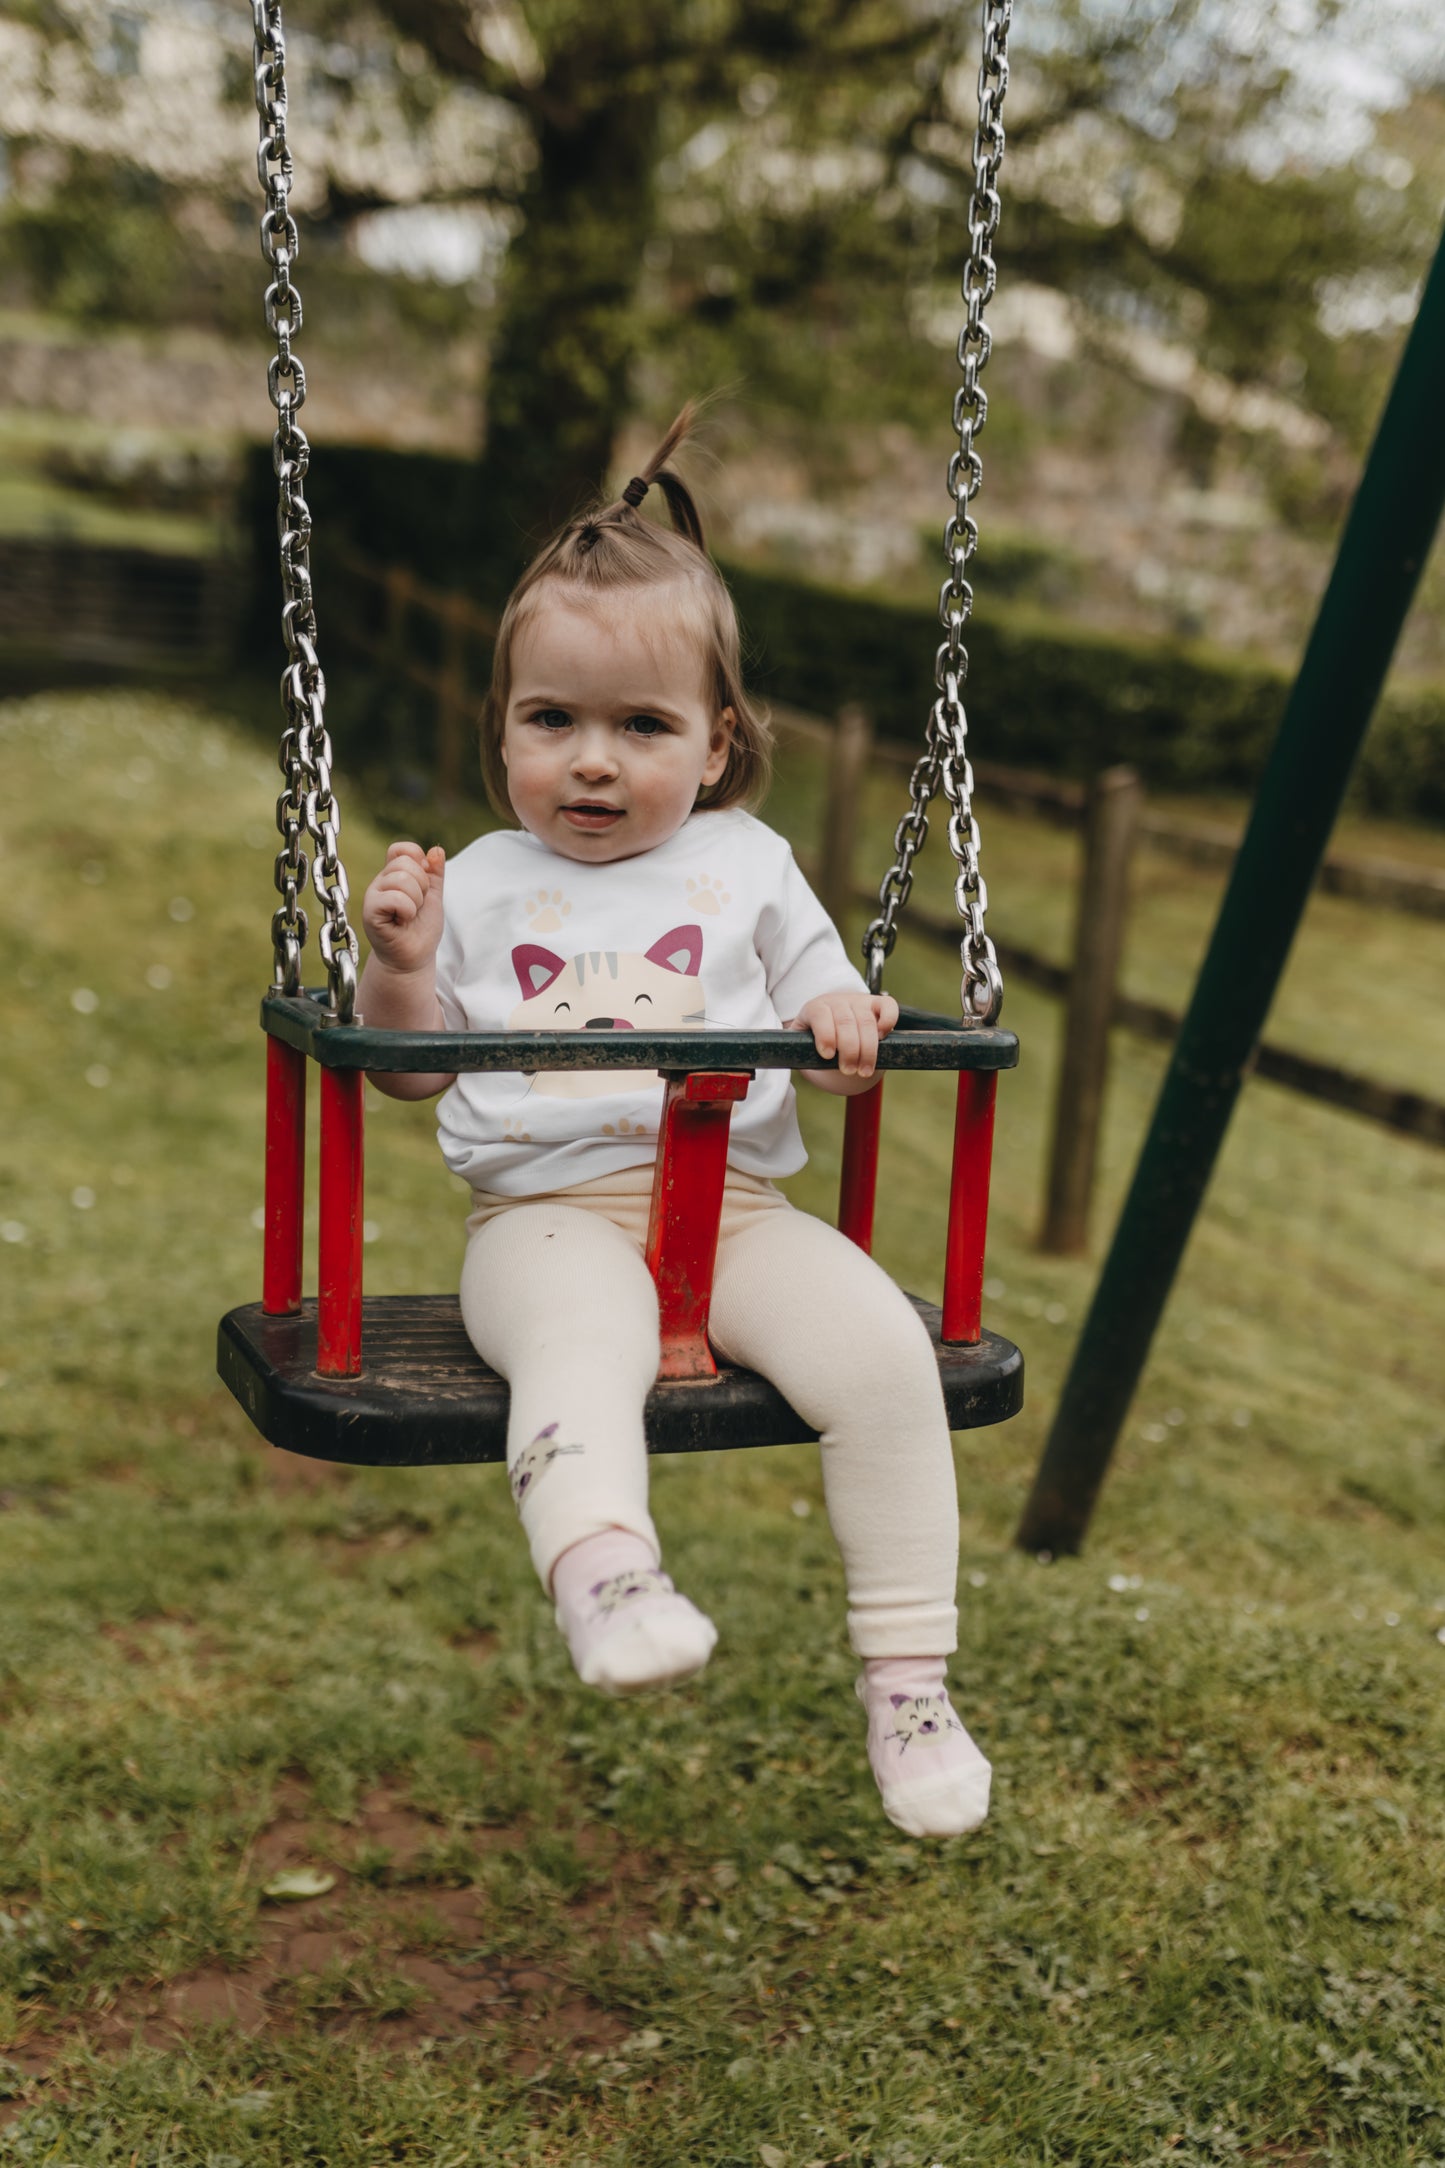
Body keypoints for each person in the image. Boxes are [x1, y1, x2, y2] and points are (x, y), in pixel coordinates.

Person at [358, 408, 991, 1840]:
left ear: (715, 747)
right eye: (552, 720)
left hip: (741, 1214)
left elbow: (826, 1012)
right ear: (503, 732)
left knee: (886, 1361)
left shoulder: (749, 864)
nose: (592, 761)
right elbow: (406, 1072)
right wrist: (400, 962)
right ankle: (605, 1575)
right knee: (581, 1348)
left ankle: (908, 1685)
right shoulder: (479, 883)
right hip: (543, 1222)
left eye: (640, 726)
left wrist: (843, 1026)